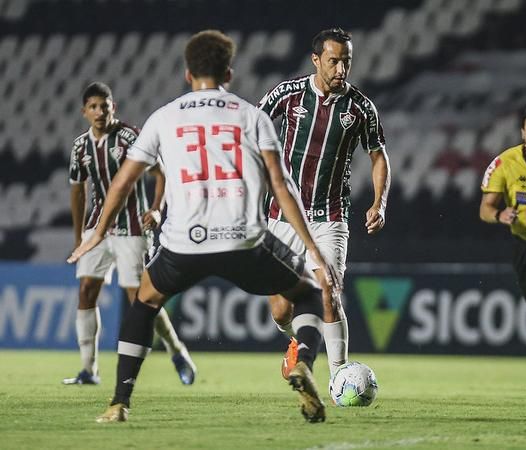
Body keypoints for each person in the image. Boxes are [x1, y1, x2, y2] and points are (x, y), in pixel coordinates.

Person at [68, 30, 338, 424]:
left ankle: (119, 403)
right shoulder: (252, 116)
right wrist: (313, 250)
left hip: (184, 244)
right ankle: (303, 364)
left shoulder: (164, 117)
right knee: (310, 293)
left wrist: (96, 231)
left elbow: (124, 181)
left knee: (144, 303)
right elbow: (282, 186)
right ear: (228, 72)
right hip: (244, 241)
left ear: (186, 73)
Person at [257, 28, 391, 380]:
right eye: (334, 61)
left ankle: (338, 377)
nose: (341, 70)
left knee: (328, 292)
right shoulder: (288, 94)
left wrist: (380, 202)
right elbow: (252, 128)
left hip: (330, 217)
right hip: (283, 218)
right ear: (316, 60)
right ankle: (295, 341)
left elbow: (379, 157)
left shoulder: (361, 107)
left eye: (346, 62)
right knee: (280, 308)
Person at [66, 82, 196, 386]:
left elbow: (160, 173)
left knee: (139, 299)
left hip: (131, 227)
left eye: (105, 105)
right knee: (86, 290)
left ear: (114, 107)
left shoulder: (129, 137)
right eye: (93, 107)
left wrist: (156, 209)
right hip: (97, 228)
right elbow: (77, 192)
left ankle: (176, 349)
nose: (100, 111)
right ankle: (89, 369)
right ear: (84, 112)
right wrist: (78, 238)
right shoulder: (80, 147)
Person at [480, 105, 526, 393]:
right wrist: (500, 215)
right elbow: (485, 209)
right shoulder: (504, 163)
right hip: (523, 241)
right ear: (523, 133)